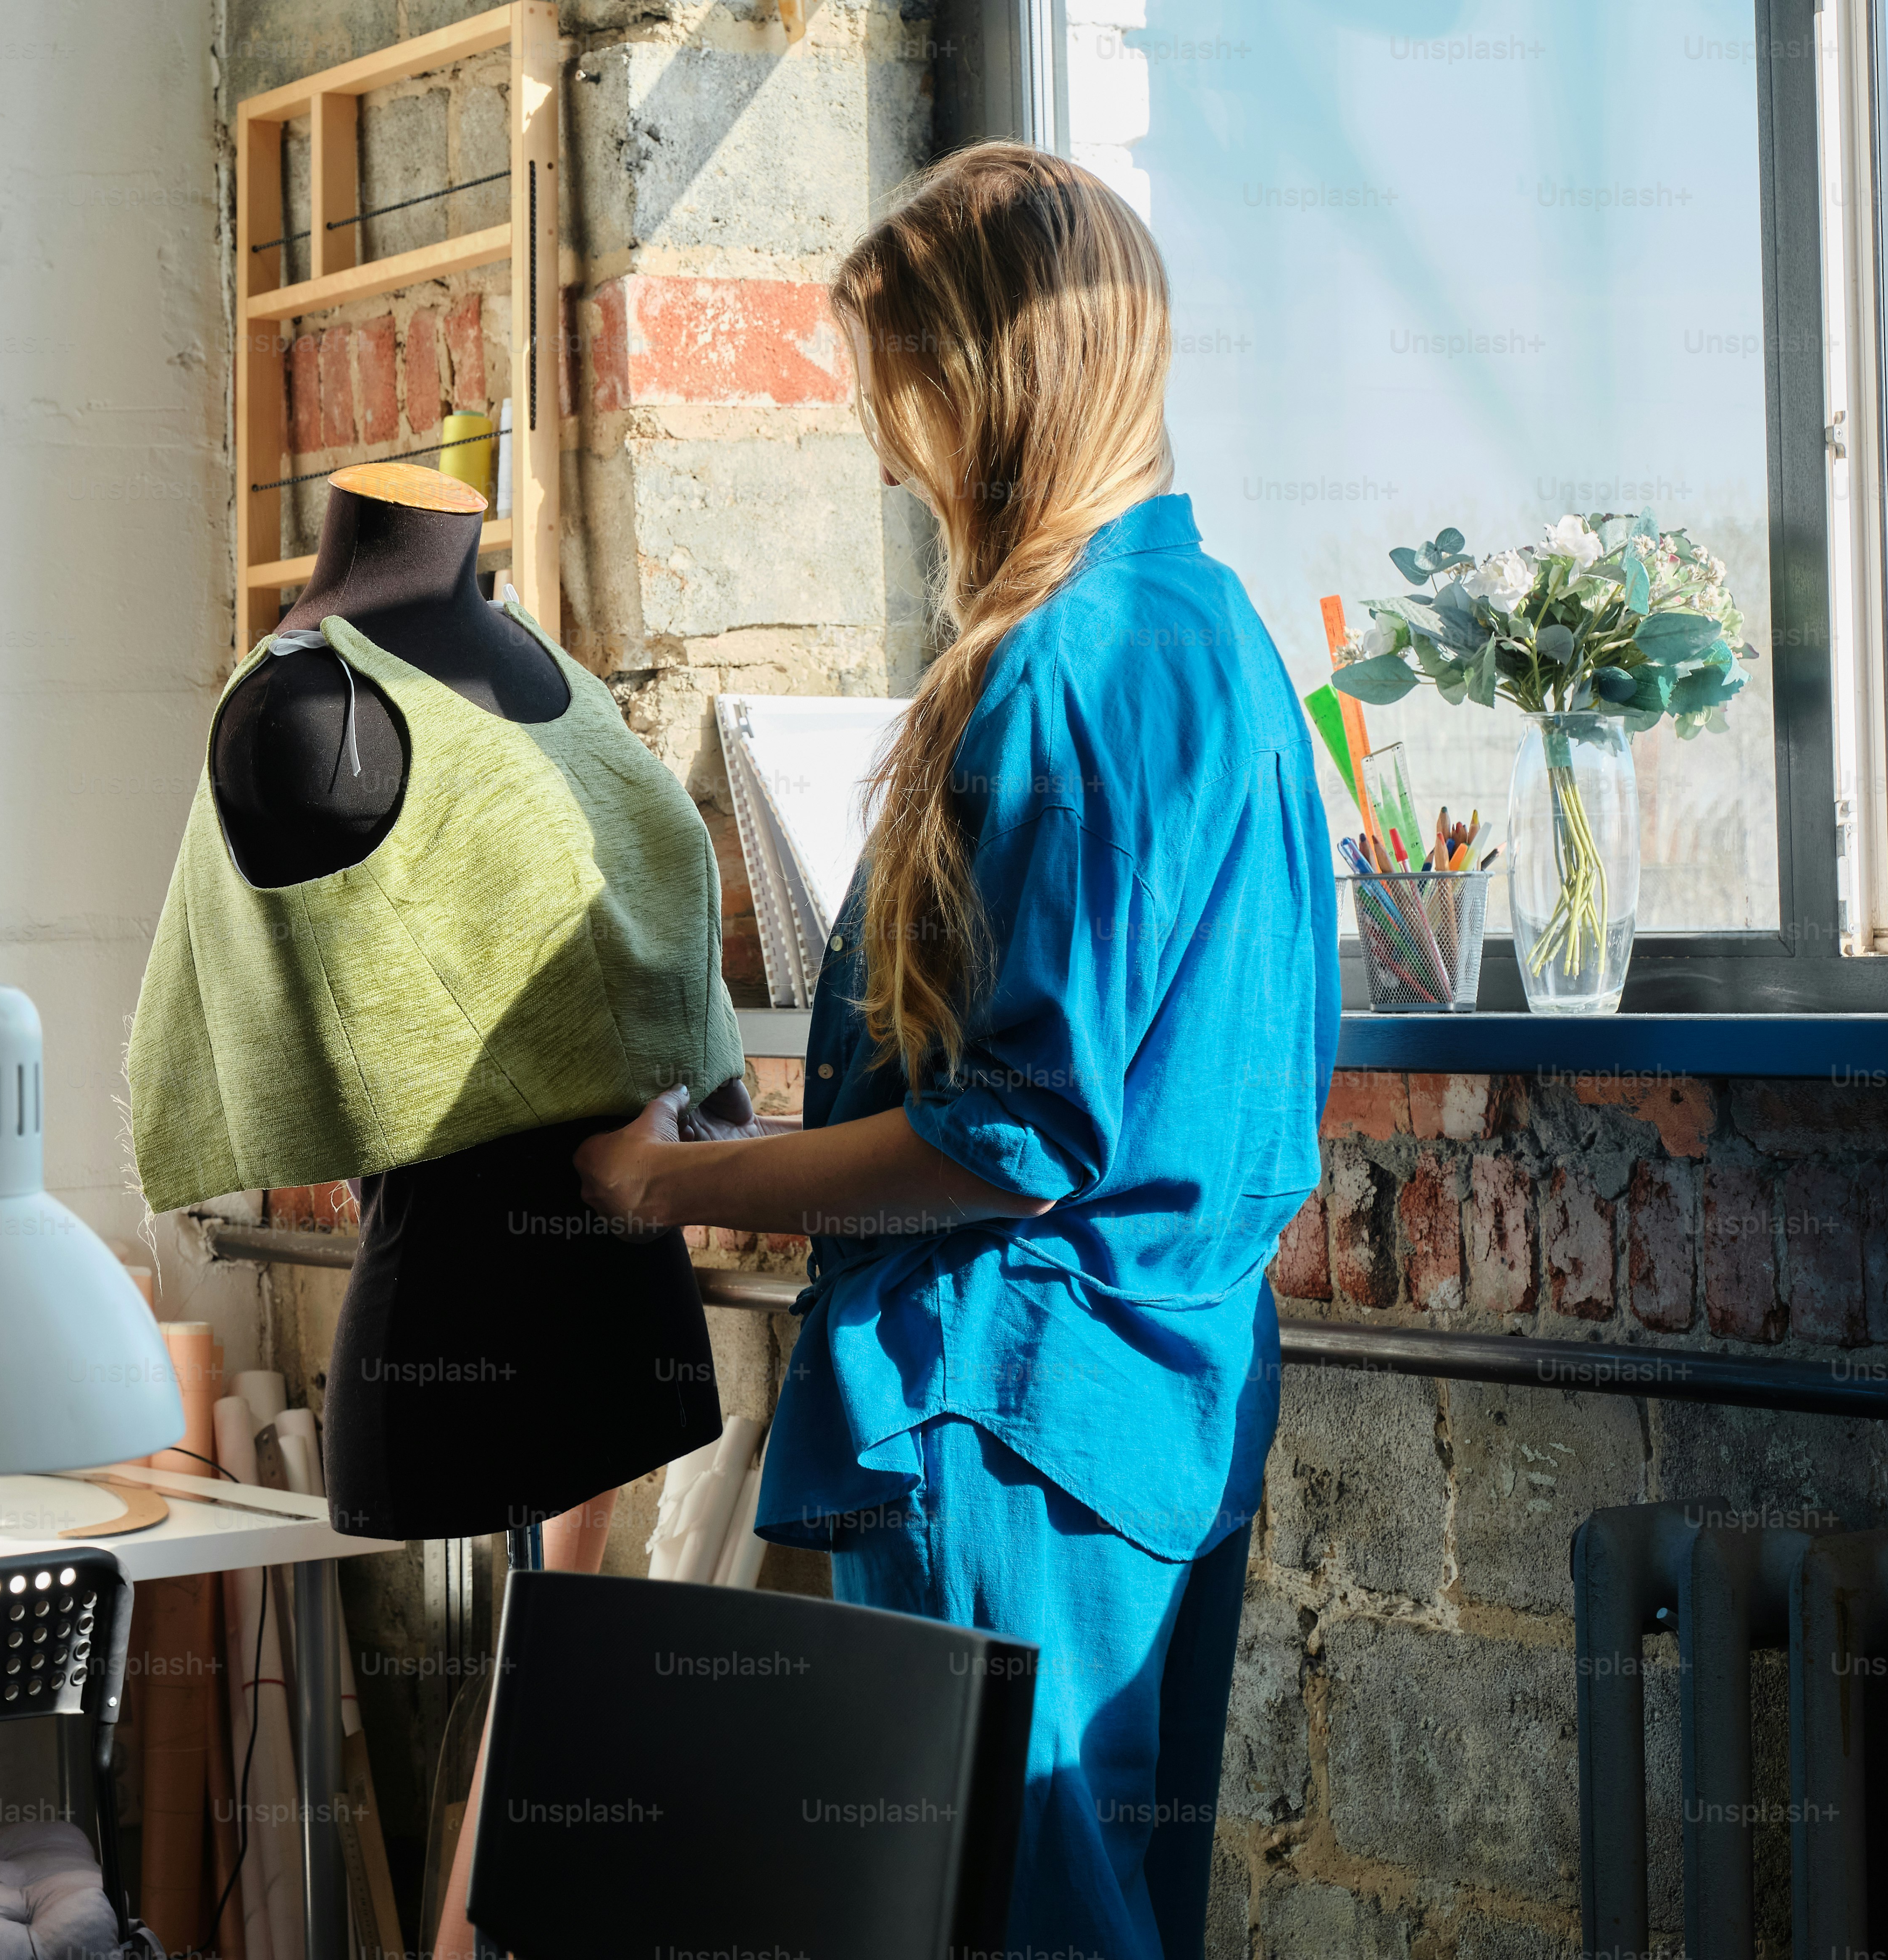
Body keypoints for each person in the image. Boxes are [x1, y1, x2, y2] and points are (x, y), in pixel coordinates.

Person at [572, 142, 1339, 1960]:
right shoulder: (1215, 629)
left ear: (983, 380)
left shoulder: (1063, 661)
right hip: (1163, 1394)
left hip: (1015, 1405)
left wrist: (667, 1183)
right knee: (1105, 1908)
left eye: (882, 383)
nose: (870, 434)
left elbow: (1012, 1136)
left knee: (1008, 1924)